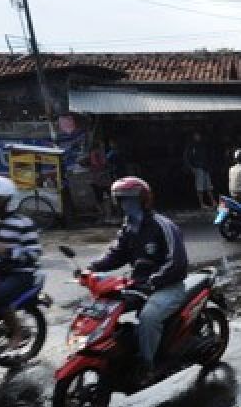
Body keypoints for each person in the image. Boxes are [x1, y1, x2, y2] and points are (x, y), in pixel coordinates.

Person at [86, 177, 188, 381]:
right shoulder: (129, 227)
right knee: (103, 310)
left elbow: (177, 262)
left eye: (130, 200)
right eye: (122, 200)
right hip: (138, 286)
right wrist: (92, 268)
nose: (126, 205)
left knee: (148, 318)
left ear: (144, 200)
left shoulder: (163, 225)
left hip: (167, 286)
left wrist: (153, 281)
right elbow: (116, 254)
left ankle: (147, 364)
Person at [0, 175, 41, 352]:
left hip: (20, 273)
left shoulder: (23, 223)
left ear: (4, 200)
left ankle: (16, 332)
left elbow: (34, 254)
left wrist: (7, 250)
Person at [184, 132, 215, 210]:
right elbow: (186, 158)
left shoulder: (203, 145)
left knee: (209, 186)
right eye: (196, 135)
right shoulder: (191, 146)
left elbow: (207, 156)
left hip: (205, 168)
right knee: (200, 187)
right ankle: (202, 204)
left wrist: (209, 166)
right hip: (198, 168)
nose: (198, 137)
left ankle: (213, 202)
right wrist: (191, 168)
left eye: (198, 135)